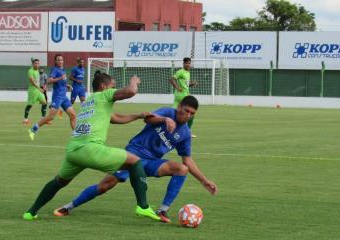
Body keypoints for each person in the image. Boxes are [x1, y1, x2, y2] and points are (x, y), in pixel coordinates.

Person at [54, 96, 218, 223]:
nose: (187, 115)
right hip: (133, 155)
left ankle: (162, 210)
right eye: (186, 110)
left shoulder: (185, 134)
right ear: (180, 106)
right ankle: (69, 206)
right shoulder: (168, 112)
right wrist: (164, 119)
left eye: (192, 114)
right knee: (105, 185)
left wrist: (204, 181)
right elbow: (148, 119)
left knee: (182, 169)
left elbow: (187, 160)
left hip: (151, 162)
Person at [23, 73, 160, 221]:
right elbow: (131, 91)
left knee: (58, 182)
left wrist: (139, 115)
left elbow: (115, 118)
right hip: (90, 149)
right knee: (135, 161)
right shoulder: (104, 95)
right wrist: (134, 81)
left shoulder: (89, 102)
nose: (113, 89)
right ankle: (143, 206)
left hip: (73, 151)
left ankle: (31, 212)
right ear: (103, 87)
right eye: (112, 86)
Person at [28, 54, 76, 140]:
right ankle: (33, 129)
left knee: (73, 115)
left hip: (64, 97)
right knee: (51, 117)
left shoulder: (63, 70)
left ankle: (76, 135)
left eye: (61, 60)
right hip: (57, 97)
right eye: (58, 60)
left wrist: (67, 86)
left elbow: (61, 83)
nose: (60, 61)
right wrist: (60, 78)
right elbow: (49, 80)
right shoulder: (55, 70)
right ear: (55, 61)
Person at [170, 57, 197, 138]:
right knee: (191, 113)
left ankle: (170, 129)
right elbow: (172, 79)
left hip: (181, 95)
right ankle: (187, 131)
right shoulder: (180, 72)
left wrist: (191, 84)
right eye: (187, 63)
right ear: (183, 64)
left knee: (174, 113)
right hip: (182, 96)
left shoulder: (187, 73)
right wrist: (177, 87)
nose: (188, 65)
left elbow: (185, 85)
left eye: (189, 63)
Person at [23, 59, 48, 126]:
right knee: (30, 105)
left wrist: (43, 87)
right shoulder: (30, 71)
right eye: (35, 63)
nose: (37, 65)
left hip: (38, 91)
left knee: (44, 102)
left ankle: (43, 119)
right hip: (33, 91)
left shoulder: (37, 71)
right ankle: (25, 119)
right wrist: (40, 88)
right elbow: (32, 82)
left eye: (38, 63)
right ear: (33, 64)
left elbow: (37, 81)